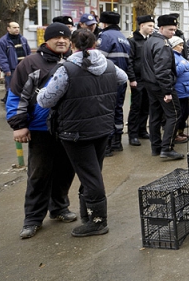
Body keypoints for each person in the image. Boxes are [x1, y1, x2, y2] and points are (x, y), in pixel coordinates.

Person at [37, 29, 127, 237]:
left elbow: (45, 100)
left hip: (76, 132)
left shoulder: (66, 69)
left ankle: (97, 222)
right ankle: (88, 216)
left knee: (90, 176)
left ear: (72, 45)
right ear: (95, 44)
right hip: (103, 128)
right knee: (93, 172)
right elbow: (122, 78)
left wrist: (41, 91)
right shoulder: (108, 65)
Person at [6, 23, 76, 239]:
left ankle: (59, 208)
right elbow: (16, 96)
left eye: (65, 38)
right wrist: (19, 125)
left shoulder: (75, 61)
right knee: (39, 174)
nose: (62, 41)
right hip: (40, 129)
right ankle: (33, 219)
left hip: (68, 128)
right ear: (47, 40)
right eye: (57, 38)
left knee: (65, 171)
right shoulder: (31, 62)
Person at [140, 14, 184, 160]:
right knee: (175, 114)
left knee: (155, 116)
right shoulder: (163, 45)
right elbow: (162, 70)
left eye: (175, 30)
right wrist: (167, 91)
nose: (173, 33)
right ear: (162, 28)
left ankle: (156, 147)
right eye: (170, 29)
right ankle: (167, 148)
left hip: (151, 85)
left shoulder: (150, 41)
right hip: (161, 85)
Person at [97, 11, 131, 156]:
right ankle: (117, 141)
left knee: (107, 110)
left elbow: (99, 58)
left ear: (104, 23)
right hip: (121, 79)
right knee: (118, 108)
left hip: (107, 80)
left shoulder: (104, 36)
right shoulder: (123, 37)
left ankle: (108, 145)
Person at [126, 15, 155, 146]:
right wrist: (132, 78)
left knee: (146, 106)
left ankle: (142, 130)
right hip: (137, 79)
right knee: (136, 107)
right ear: (141, 26)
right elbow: (130, 61)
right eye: (149, 26)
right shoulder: (132, 41)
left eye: (153, 26)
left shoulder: (150, 41)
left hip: (148, 79)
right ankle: (133, 134)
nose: (152, 28)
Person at [0, 21, 31, 103]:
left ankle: (22, 103)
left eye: (18, 27)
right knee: (11, 88)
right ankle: (11, 104)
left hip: (24, 68)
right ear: (8, 29)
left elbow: (29, 53)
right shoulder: (3, 41)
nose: (17, 29)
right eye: (14, 27)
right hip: (12, 70)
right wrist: (6, 69)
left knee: (25, 86)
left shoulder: (23, 39)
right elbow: (1, 57)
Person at [170, 36, 189, 144]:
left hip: (185, 90)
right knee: (180, 113)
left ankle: (181, 131)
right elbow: (175, 72)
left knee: (185, 113)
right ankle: (175, 134)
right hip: (179, 90)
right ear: (174, 45)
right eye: (180, 45)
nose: (182, 47)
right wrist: (184, 65)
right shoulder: (173, 57)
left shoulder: (180, 56)